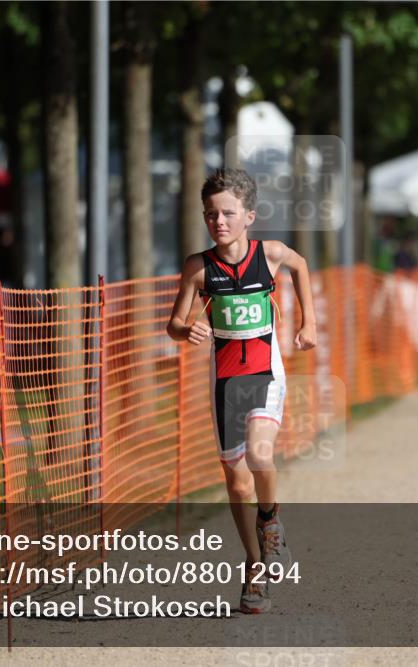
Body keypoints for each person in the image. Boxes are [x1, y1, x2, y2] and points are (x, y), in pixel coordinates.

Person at [166, 168, 317, 614]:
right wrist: (186, 329)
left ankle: (270, 521)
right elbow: (174, 323)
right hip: (225, 383)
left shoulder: (269, 254)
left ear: (249, 215)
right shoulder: (198, 267)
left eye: (228, 213)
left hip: (266, 375)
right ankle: (254, 566)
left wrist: (308, 322)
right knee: (236, 483)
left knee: (260, 456)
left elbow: (300, 265)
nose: (219, 221)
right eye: (211, 214)